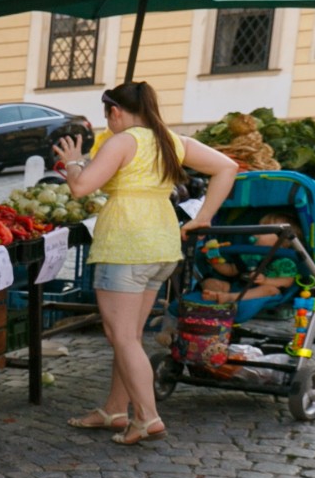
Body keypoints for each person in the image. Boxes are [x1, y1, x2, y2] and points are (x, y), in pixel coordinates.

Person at [53, 80, 237, 444]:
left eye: (109, 117)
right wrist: (205, 216)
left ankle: (147, 417)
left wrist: (72, 162)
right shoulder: (170, 139)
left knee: (120, 336)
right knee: (131, 337)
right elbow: (227, 167)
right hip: (162, 245)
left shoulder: (123, 140)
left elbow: (80, 187)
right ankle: (115, 410)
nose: (109, 125)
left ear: (116, 112)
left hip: (125, 244)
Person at [197, 213, 304, 308]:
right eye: (259, 227)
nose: (257, 232)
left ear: (284, 241)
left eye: (264, 230)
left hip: (261, 290)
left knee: (271, 290)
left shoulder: (284, 260)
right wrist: (214, 263)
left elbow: (287, 281)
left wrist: (266, 280)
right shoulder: (249, 254)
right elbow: (231, 270)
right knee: (209, 282)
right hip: (240, 286)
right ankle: (216, 296)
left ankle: (230, 297)